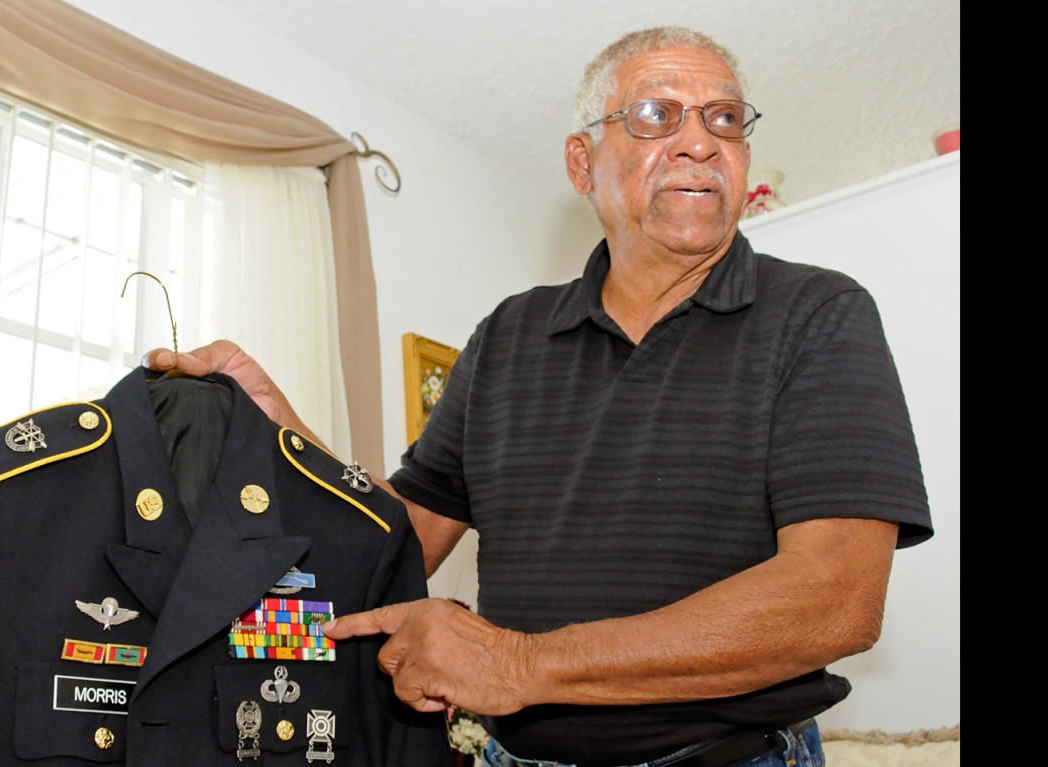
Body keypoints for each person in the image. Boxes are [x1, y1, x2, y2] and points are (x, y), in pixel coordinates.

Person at [145, 25, 932, 767]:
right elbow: (394, 543)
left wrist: (519, 663)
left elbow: (837, 600)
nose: (701, 141)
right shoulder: (508, 335)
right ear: (582, 162)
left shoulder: (819, 312)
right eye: (658, 115)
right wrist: (282, 434)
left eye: (725, 118)